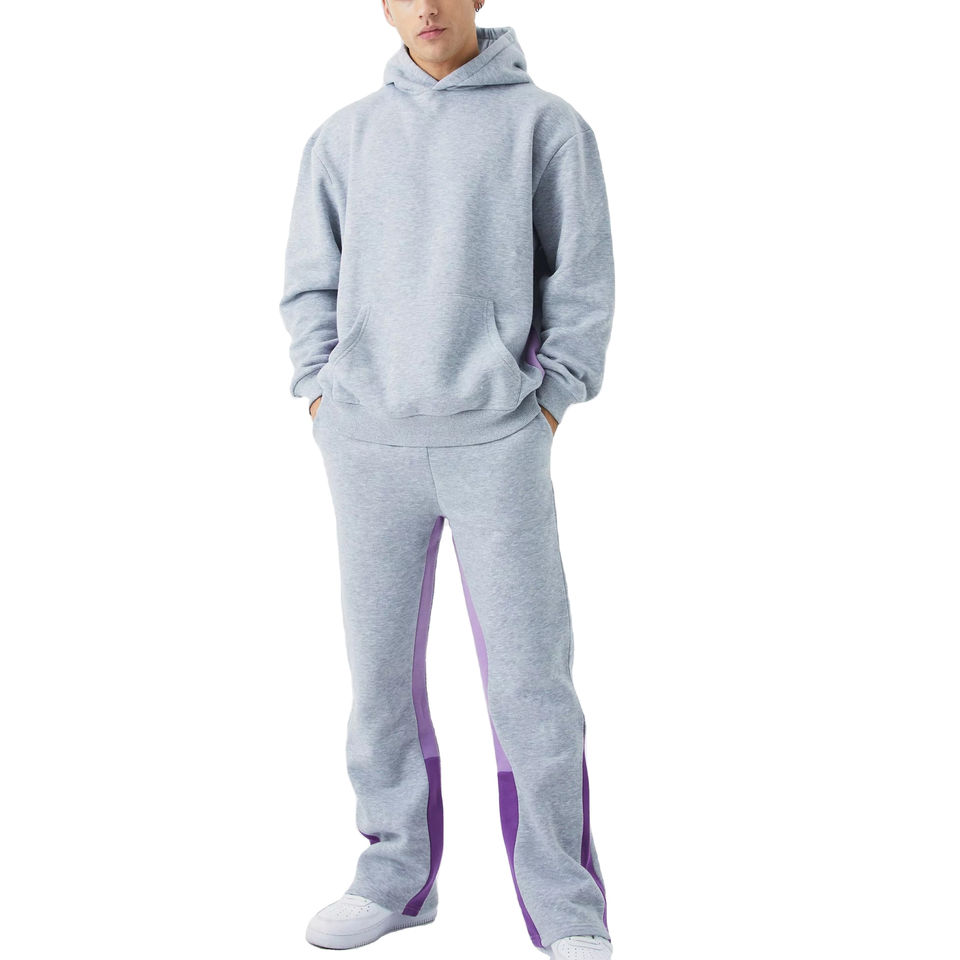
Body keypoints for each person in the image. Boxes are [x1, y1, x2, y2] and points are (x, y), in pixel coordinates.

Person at [278, 3, 615, 957]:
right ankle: (395, 875)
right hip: (365, 442)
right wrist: (319, 391)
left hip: (497, 438)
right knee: (378, 673)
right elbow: (308, 281)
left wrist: (551, 398)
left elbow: (582, 279)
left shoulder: (545, 126)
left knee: (530, 678)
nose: (426, 6)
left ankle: (565, 905)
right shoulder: (342, 136)